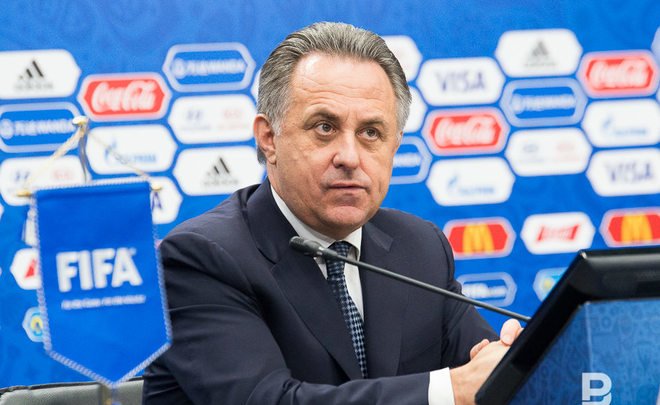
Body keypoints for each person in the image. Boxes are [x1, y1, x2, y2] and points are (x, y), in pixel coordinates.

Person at [142, 22, 522, 405]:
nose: (350, 157)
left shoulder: (420, 248)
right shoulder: (201, 258)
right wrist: (452, 389)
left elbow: (483, 370)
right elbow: (268, 400)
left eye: (371, 133)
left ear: (395, 146)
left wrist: (512, 362)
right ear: (268, 138)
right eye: (324, 128)